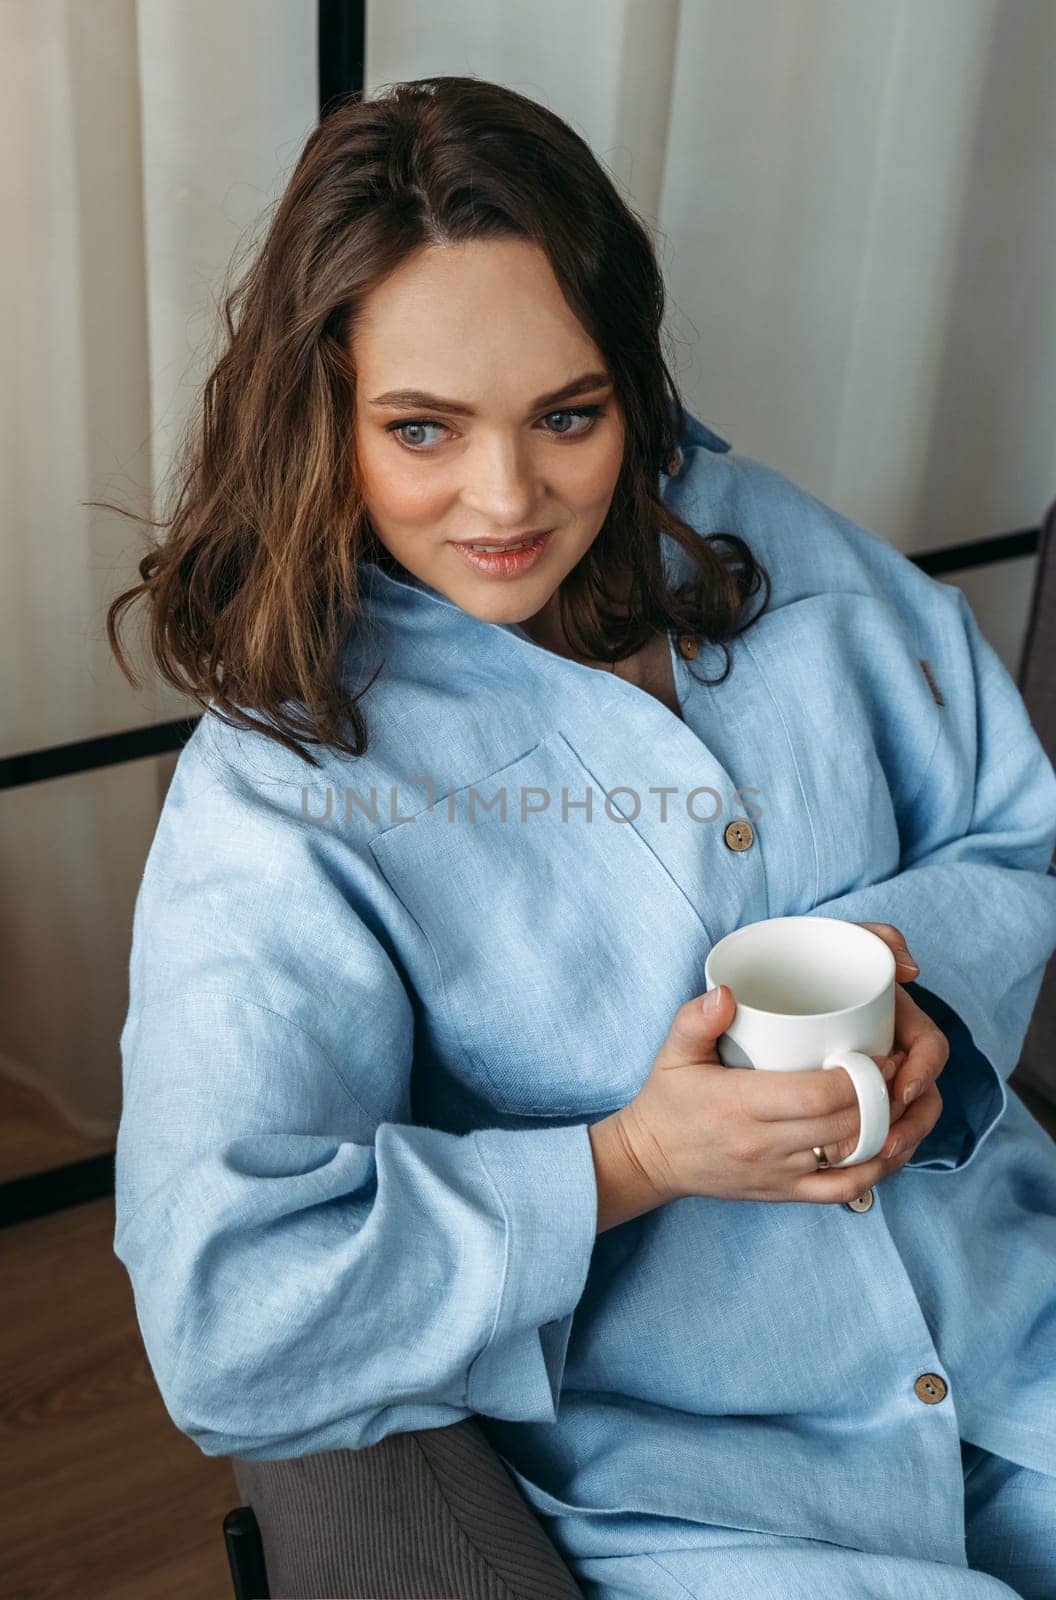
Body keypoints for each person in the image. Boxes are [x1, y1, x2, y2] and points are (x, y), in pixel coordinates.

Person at [105, 77, 1056, 1598]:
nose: (506, 498)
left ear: (631, 381)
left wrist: (923, 990)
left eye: (569, 414)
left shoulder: (771, 546)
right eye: (422, 429)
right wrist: (625, 1162)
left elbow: (1012, 832)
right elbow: (235, 1307)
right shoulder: (285, 790)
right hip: (708, 1489)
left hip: (1021, 1337)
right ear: (322, 414)